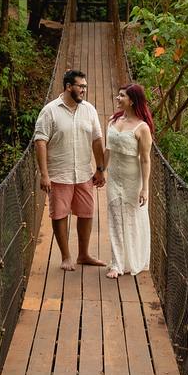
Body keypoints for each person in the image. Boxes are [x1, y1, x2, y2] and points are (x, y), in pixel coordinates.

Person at [34, 69, 108, 271]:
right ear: (68, 87)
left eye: (85, 86)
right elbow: (40, 142)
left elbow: (97, 140)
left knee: (87, 212)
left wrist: (100, 169)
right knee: (59, 214)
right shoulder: (50, 111)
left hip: (84, 172)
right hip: (59, 173)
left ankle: (83, 255)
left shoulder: (89, 110)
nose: (84, 90)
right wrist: (44, 174)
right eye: (80, 86)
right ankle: (66, 257)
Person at [103, 83, 153, 279]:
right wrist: (101, 171)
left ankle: (132, 260)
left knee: (132, 218)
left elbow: (145, 159)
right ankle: (116, 263)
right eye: (118, 95)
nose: (117, 98)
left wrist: (144, 188)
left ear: (132, 100)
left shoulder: (142, 128)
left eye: (121, 96)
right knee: (116, 217)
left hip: (133, 178)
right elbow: (108, 149)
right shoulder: (113, 121)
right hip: (114, 177)